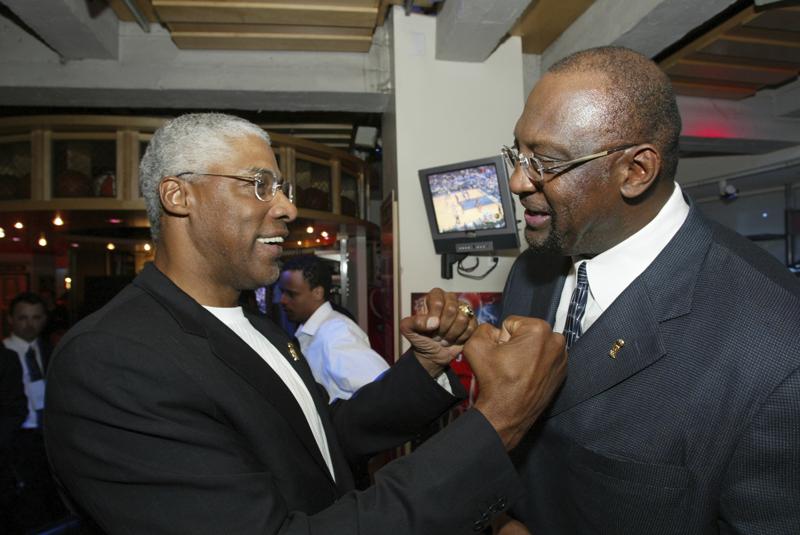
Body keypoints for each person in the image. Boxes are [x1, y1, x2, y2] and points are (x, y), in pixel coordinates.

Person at [44, 112, 568, 534]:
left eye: (282, 187)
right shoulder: (112, 359)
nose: (288, 208)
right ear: (180, 196)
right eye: (259, 184)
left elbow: (320, 436)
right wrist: (497, 422)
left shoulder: (254, 318)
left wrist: (426, 366)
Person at [496, 46, 800, 534]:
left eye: (546, 162)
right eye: (519, 153)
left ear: (636, 171)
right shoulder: (531, 273)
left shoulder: (779, 349)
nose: (515, 180)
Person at [279, 254, 389, 402]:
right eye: (282, 292)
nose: (283, 300)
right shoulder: (311, 330)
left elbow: (383, 390)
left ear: (318, 292)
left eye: (292, 294)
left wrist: (345, 421)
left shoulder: (336, 333)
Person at [3, 292, 67, 532]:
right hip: (15, 439)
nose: (29, 324)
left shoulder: (52, 351)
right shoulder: (3, 354)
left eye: (36, 317)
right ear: (11, 320)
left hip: (48, 436)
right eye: (23, 318)